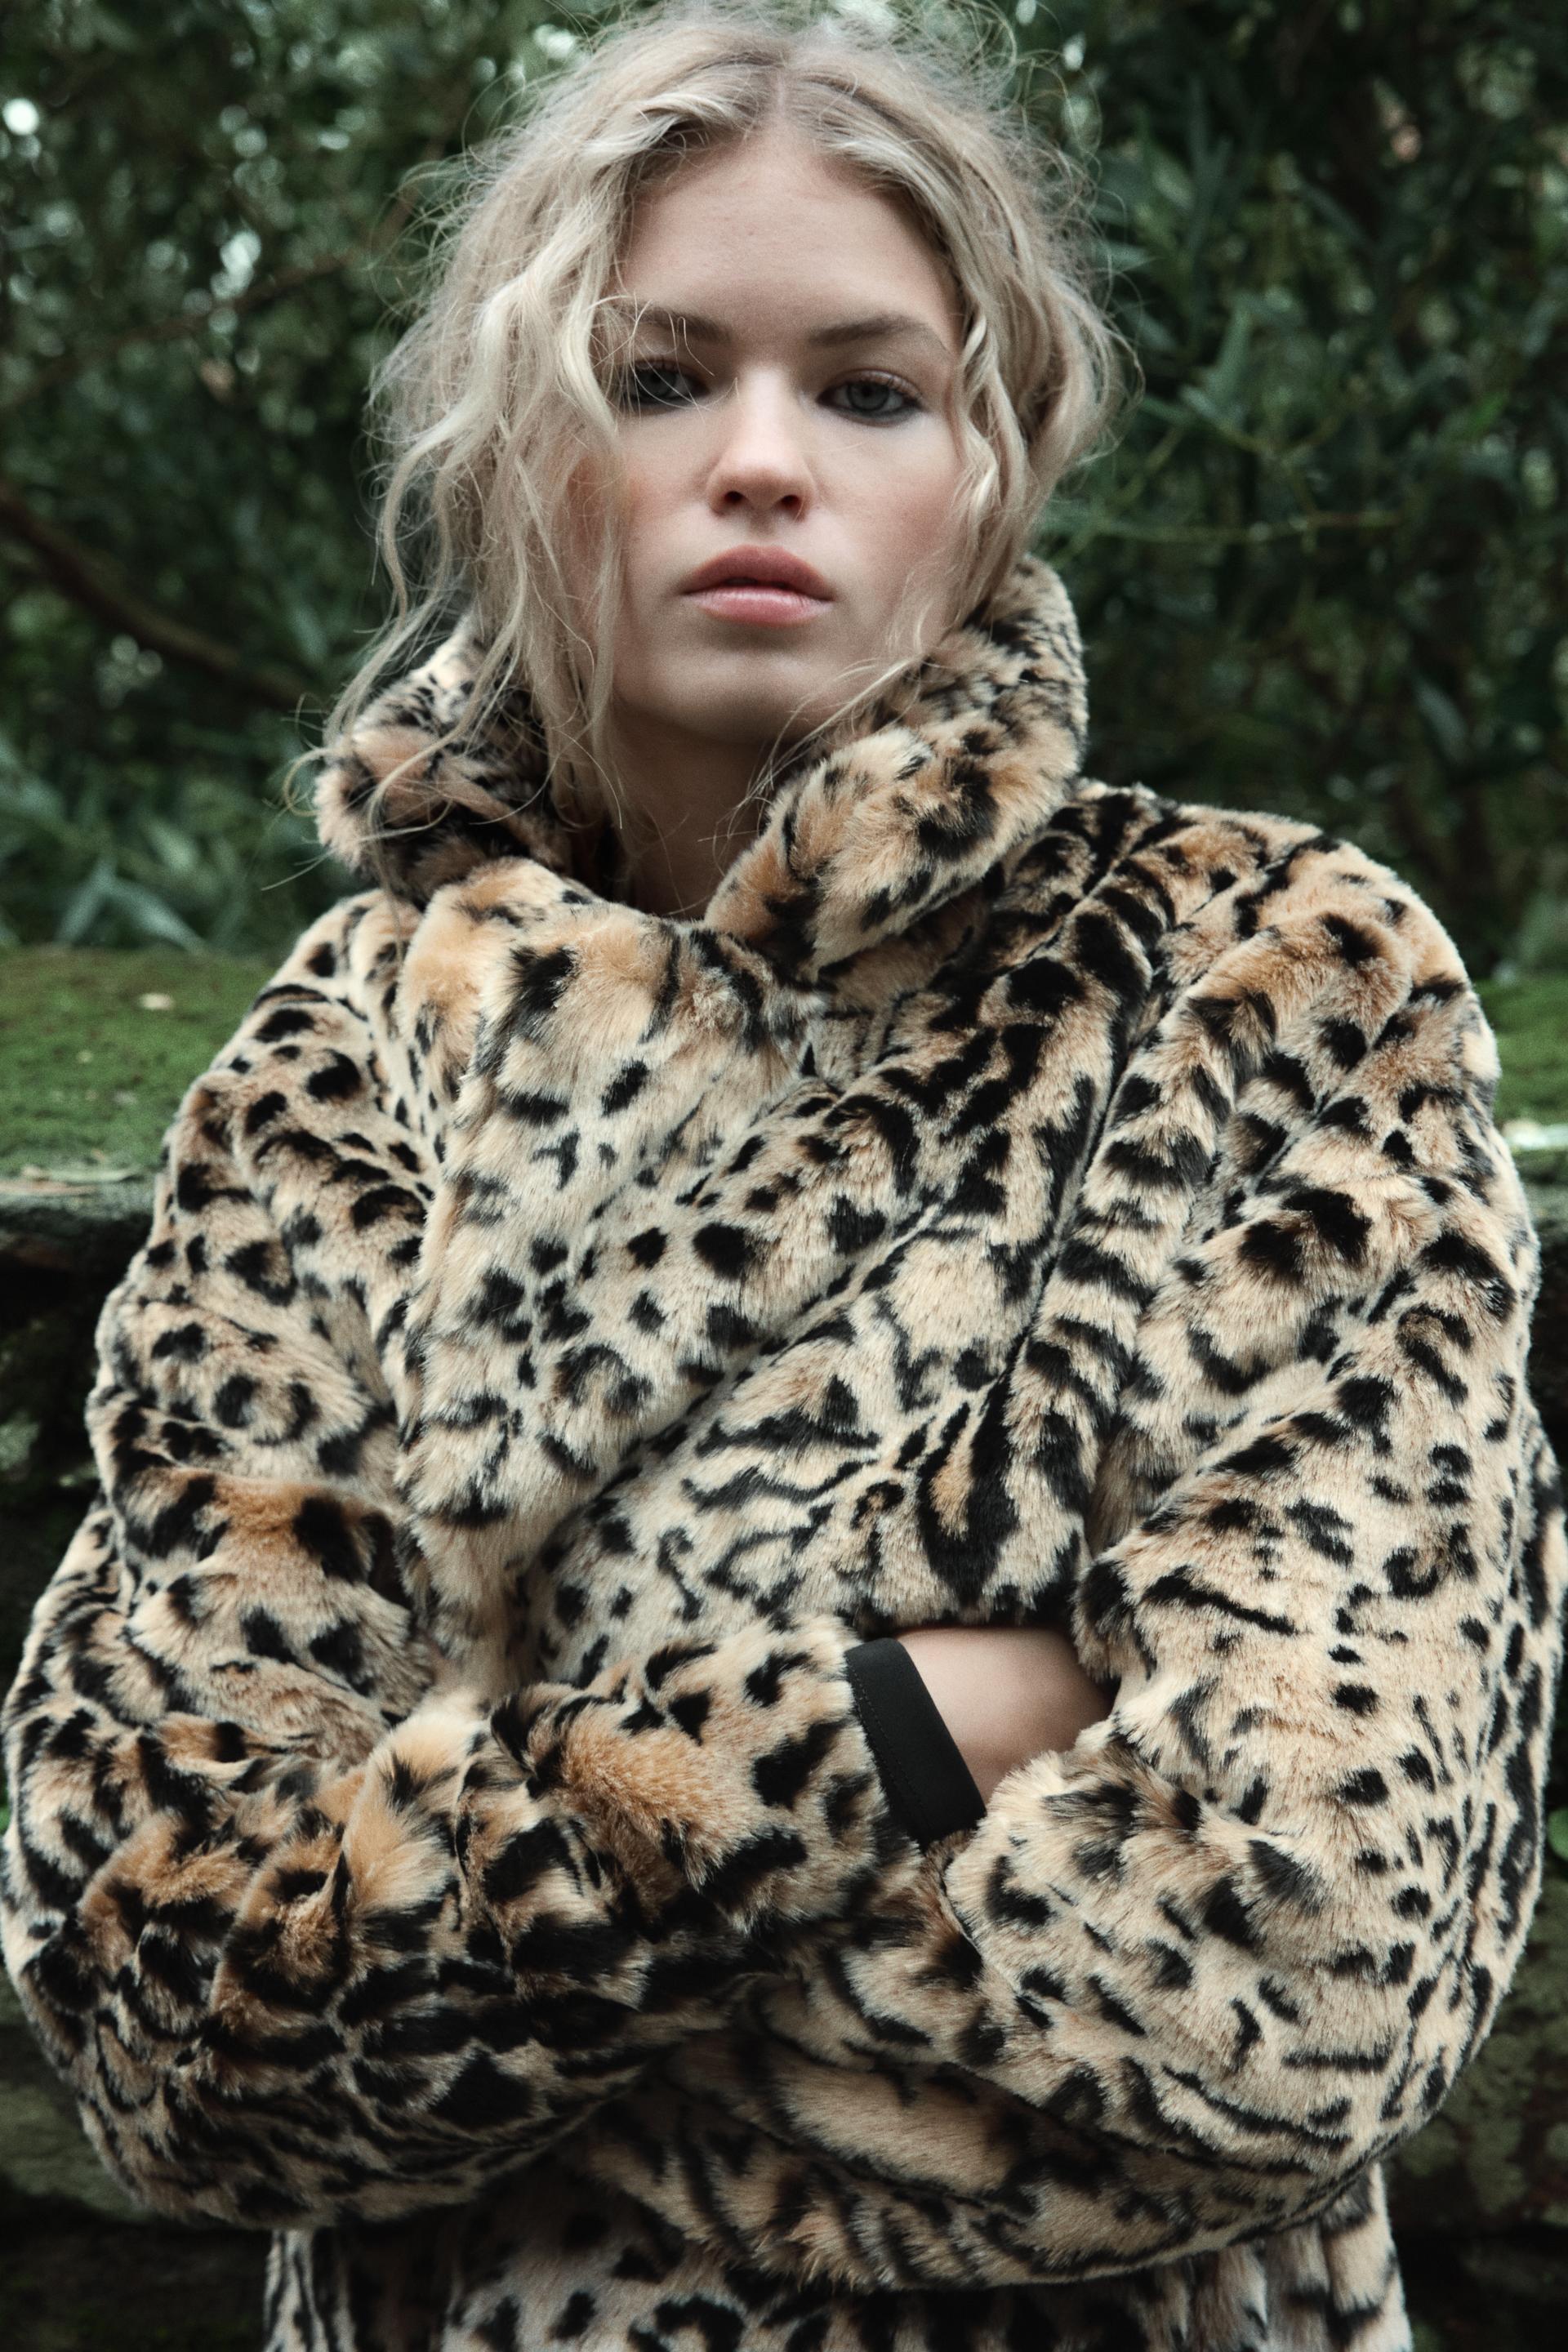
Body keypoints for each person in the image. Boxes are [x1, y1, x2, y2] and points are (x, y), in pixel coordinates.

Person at [3, 5, 1562, 2349]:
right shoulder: (342, 1068)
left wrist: (508, 1988)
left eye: (866, 390)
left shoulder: (1272, 990)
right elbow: (174, 2023)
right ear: (521, 446)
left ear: (992, 460)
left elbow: (1308, 1983)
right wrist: (903, 1729)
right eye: (657, 378)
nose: (758, 460)